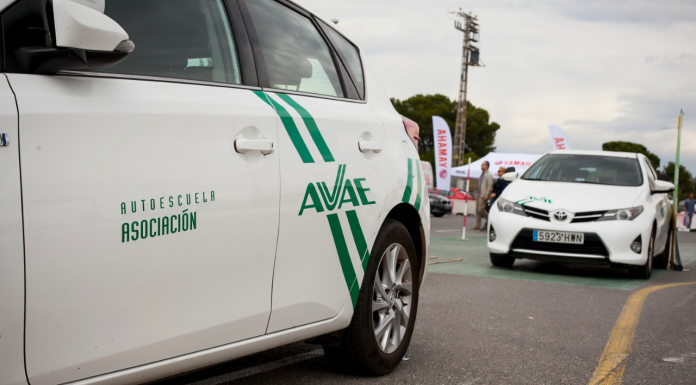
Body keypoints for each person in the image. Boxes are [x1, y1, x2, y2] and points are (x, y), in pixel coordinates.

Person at [473, 161, 494, 230]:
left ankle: (490, 219)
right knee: (477, 210)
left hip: (483, 195)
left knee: (481, 209)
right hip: (478, 194)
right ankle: (477, 225)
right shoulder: (482, 174)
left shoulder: (489, 175)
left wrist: (487, 194)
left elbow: (490, 185)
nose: (481, 166)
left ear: (487, 166)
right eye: (482, 165)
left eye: (483, 165)